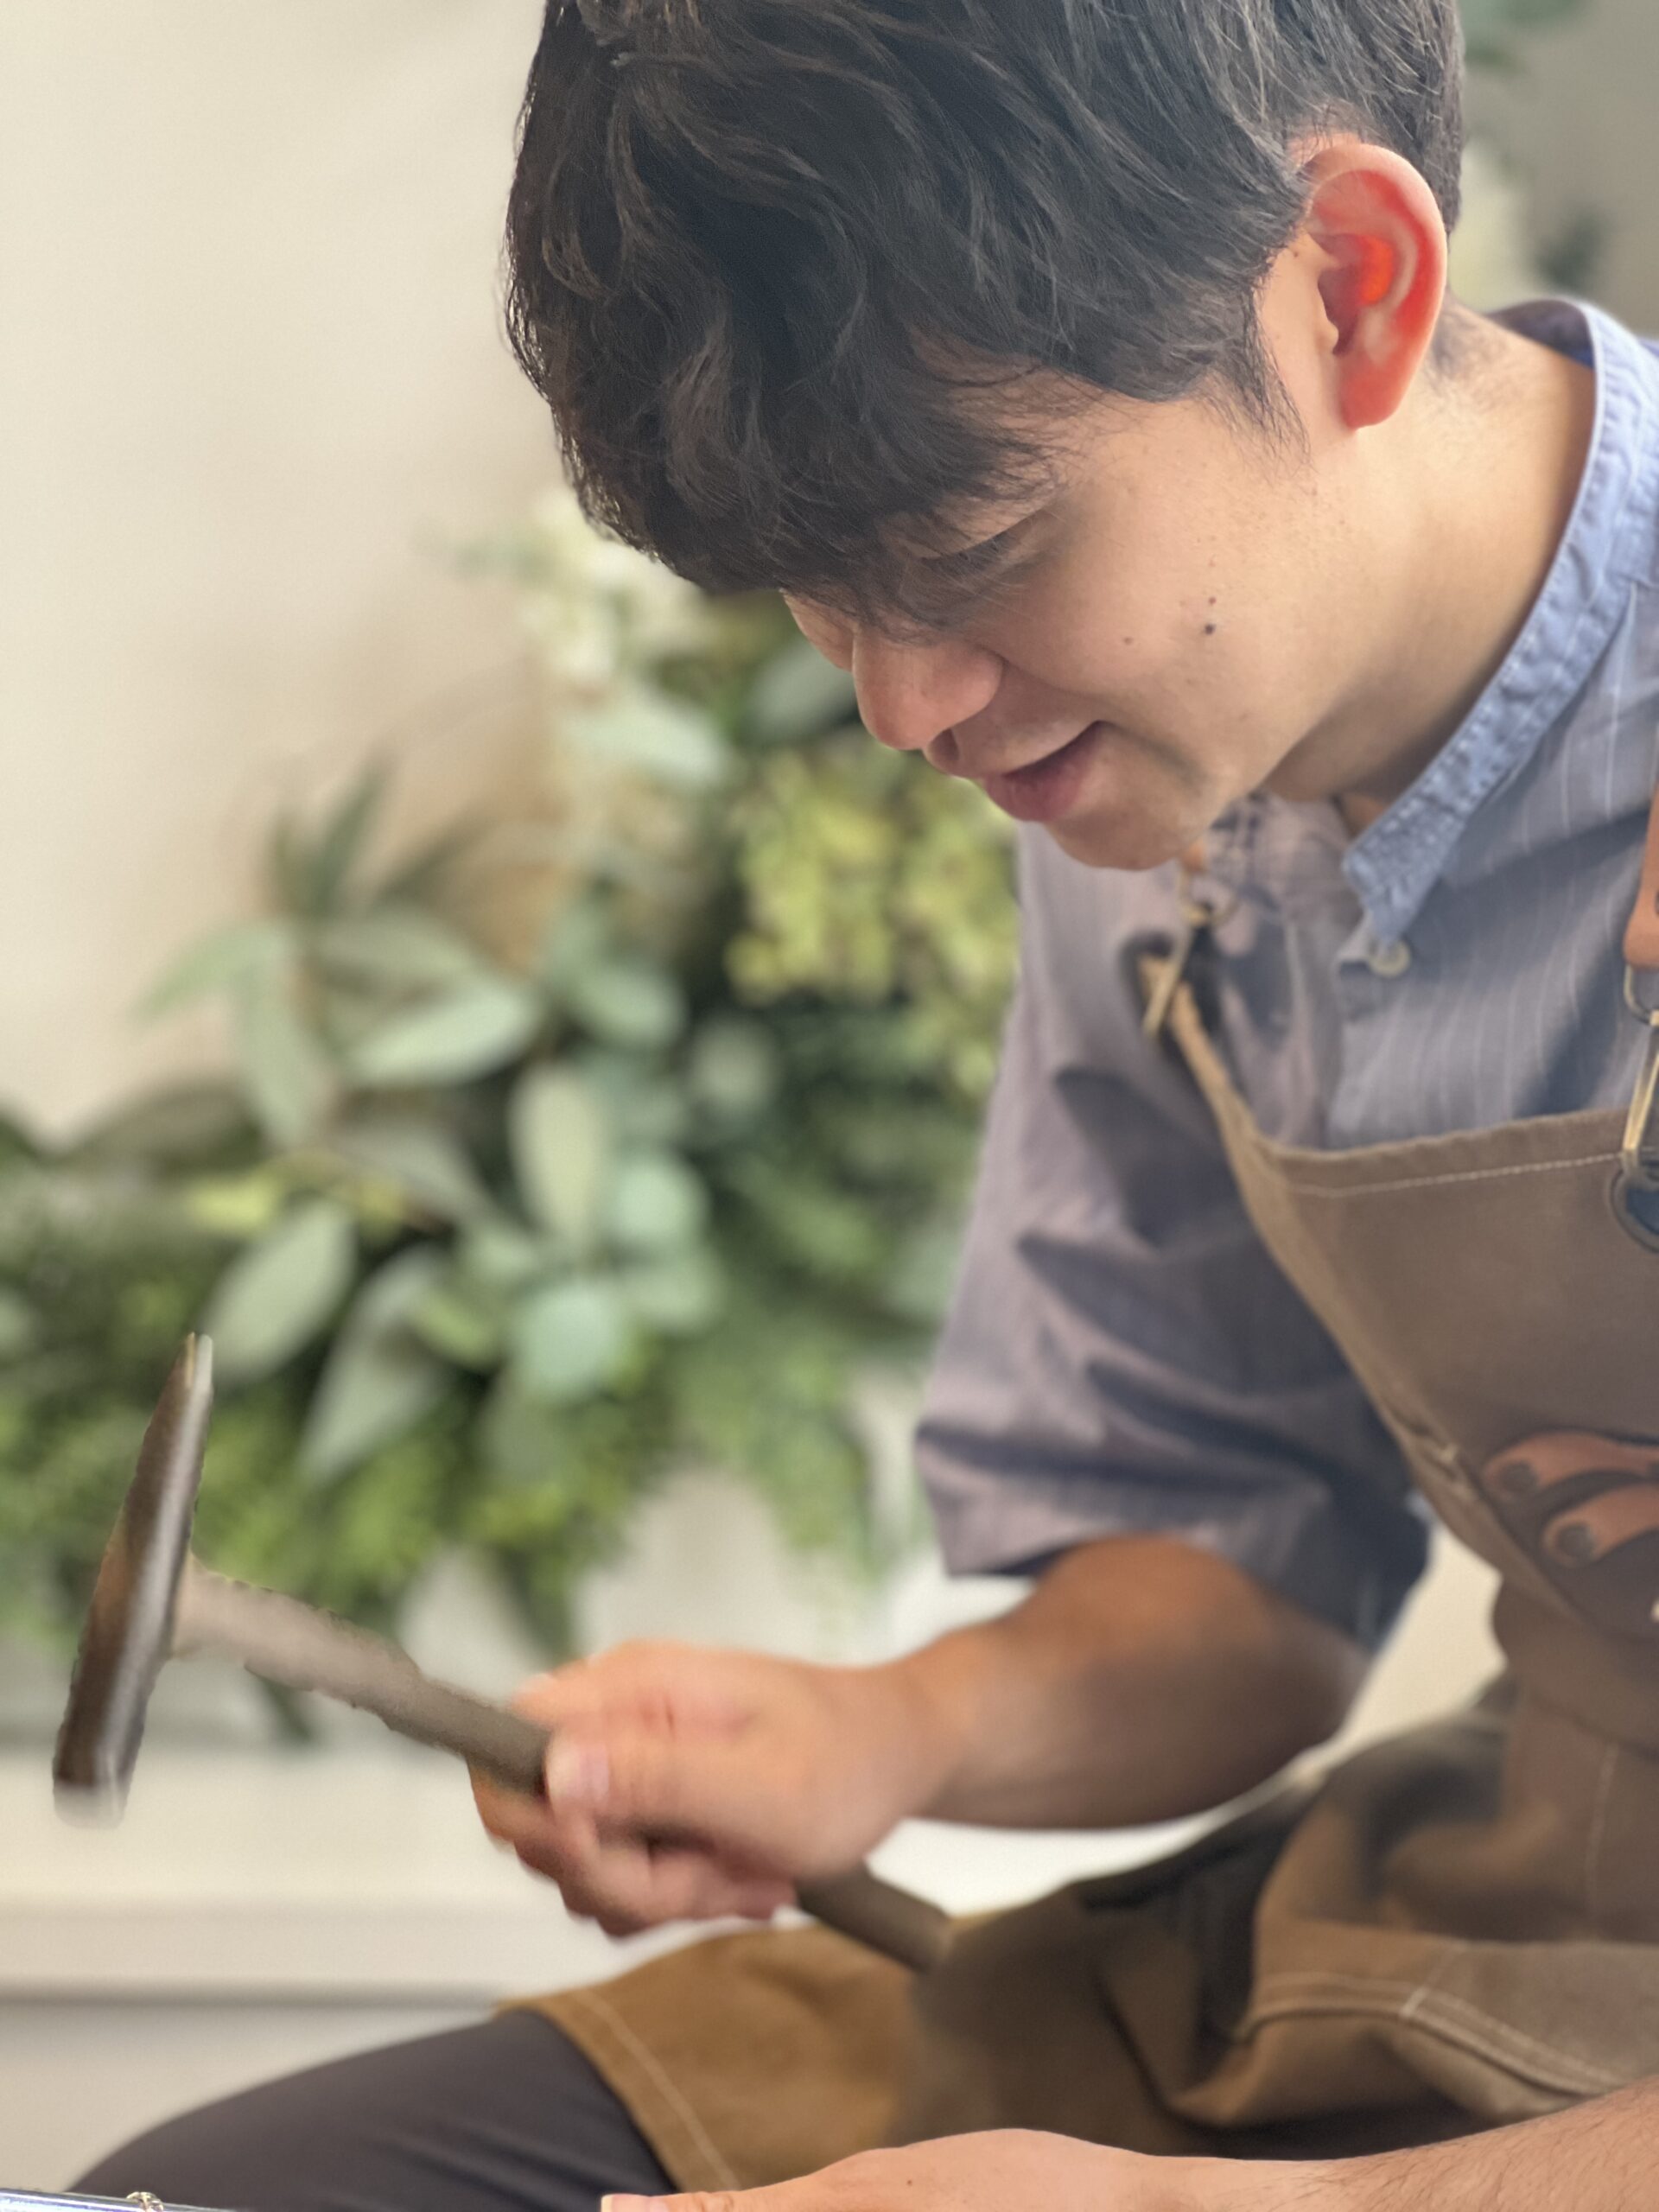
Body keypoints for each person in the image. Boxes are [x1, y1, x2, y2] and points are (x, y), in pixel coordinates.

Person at [83, 2, 1659, 2208]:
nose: (905, 704)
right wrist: (875, 1733)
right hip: (1447, 1926)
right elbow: (1238, 1566)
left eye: (980, 540)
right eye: (825, 597)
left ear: (1347, 286)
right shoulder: (1147, 780)